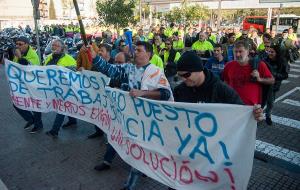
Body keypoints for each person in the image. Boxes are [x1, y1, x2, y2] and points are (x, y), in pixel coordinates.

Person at [88, 41, 173, 190]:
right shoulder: (128, 69)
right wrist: (95, 57)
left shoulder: (156, 72)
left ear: (149, 54)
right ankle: (108, 161)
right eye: (135, 50)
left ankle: (130, 185)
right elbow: (110, 69)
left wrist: (143, 93)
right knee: (116, 135)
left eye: (139, 50)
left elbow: (165, 94)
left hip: (146, 121)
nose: (135, 53)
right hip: (126, 116)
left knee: (139, 151)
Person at [223, 40, 275, 106]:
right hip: (232, 105)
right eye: (235, 52)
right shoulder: (228, 65)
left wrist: (259, 79)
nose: (237, 54)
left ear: (247, 52)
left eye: (240, 51)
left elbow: (272, 80)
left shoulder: (259, 65)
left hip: (251, 108)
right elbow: (226, 83)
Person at [45, 39, 78, 138]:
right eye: (53, 45)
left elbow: (74, 73)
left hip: (66, 89)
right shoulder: (49, 57)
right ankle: (72, 121)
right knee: (65, 106)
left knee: (61, 108)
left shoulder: (69, 59)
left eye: (57, 46)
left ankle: (54, 130)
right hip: (54, 87)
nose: (54, 47)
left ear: (62, 48)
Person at [11, 36, 43, 133]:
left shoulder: (33, 55)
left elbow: (27, 67)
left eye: (20, 44)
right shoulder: (18, 54)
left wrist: (19, 57)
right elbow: (14, 67)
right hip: (21, 84)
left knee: (35, 105)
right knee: (16, 103)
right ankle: (30, 119)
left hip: (33, 85)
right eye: (16, 44)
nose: (17, 46)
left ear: (26, 44)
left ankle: (38, 124)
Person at [262, 43, 289, 125]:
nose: (270, 53)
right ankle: (257, 117)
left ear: (277, 53)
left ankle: (268, 116)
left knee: (270, 103)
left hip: (273, 86)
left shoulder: (282, 62)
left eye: (272, 52)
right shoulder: (265, 60)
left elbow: (285, 75)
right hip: (263, 85)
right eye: (269, 51)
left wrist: (274, 75)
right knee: (261, 103)